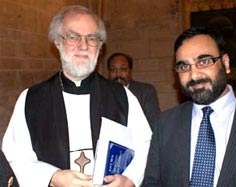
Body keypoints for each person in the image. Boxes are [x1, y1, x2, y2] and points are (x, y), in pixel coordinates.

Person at [2, 5, 152, 187]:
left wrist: (129, 180)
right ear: (57, 42)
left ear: (100, 46)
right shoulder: (31, 99)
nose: (84, 46)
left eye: (92, 38)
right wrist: (52, 177)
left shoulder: (122, 96)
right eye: (73, 37)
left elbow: (146, 146)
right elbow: (14, 155)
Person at [142, 27, 236, 187]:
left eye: (203, 61)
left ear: (226, 63)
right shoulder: (165, 124)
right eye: (184, 67)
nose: (193, 75)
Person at [107, 52, 160, 127]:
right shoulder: (102, 93)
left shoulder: (146, 92)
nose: (118, 74)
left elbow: (154, 124)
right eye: (113, 69)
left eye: (123, 69)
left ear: (130, 71)